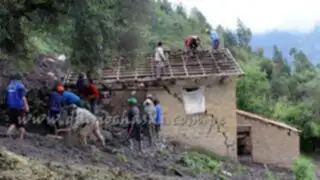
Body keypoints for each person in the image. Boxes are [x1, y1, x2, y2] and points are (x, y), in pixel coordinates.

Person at [6, 73, 29, 140]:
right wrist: (26, 106)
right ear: (20, 79)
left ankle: (8, 133)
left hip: (11, 107)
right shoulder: (20, 86)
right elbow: (23, 97)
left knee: (13, 123)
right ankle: (20, 139)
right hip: (19, 107)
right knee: (21, 124)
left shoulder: (9, 86)